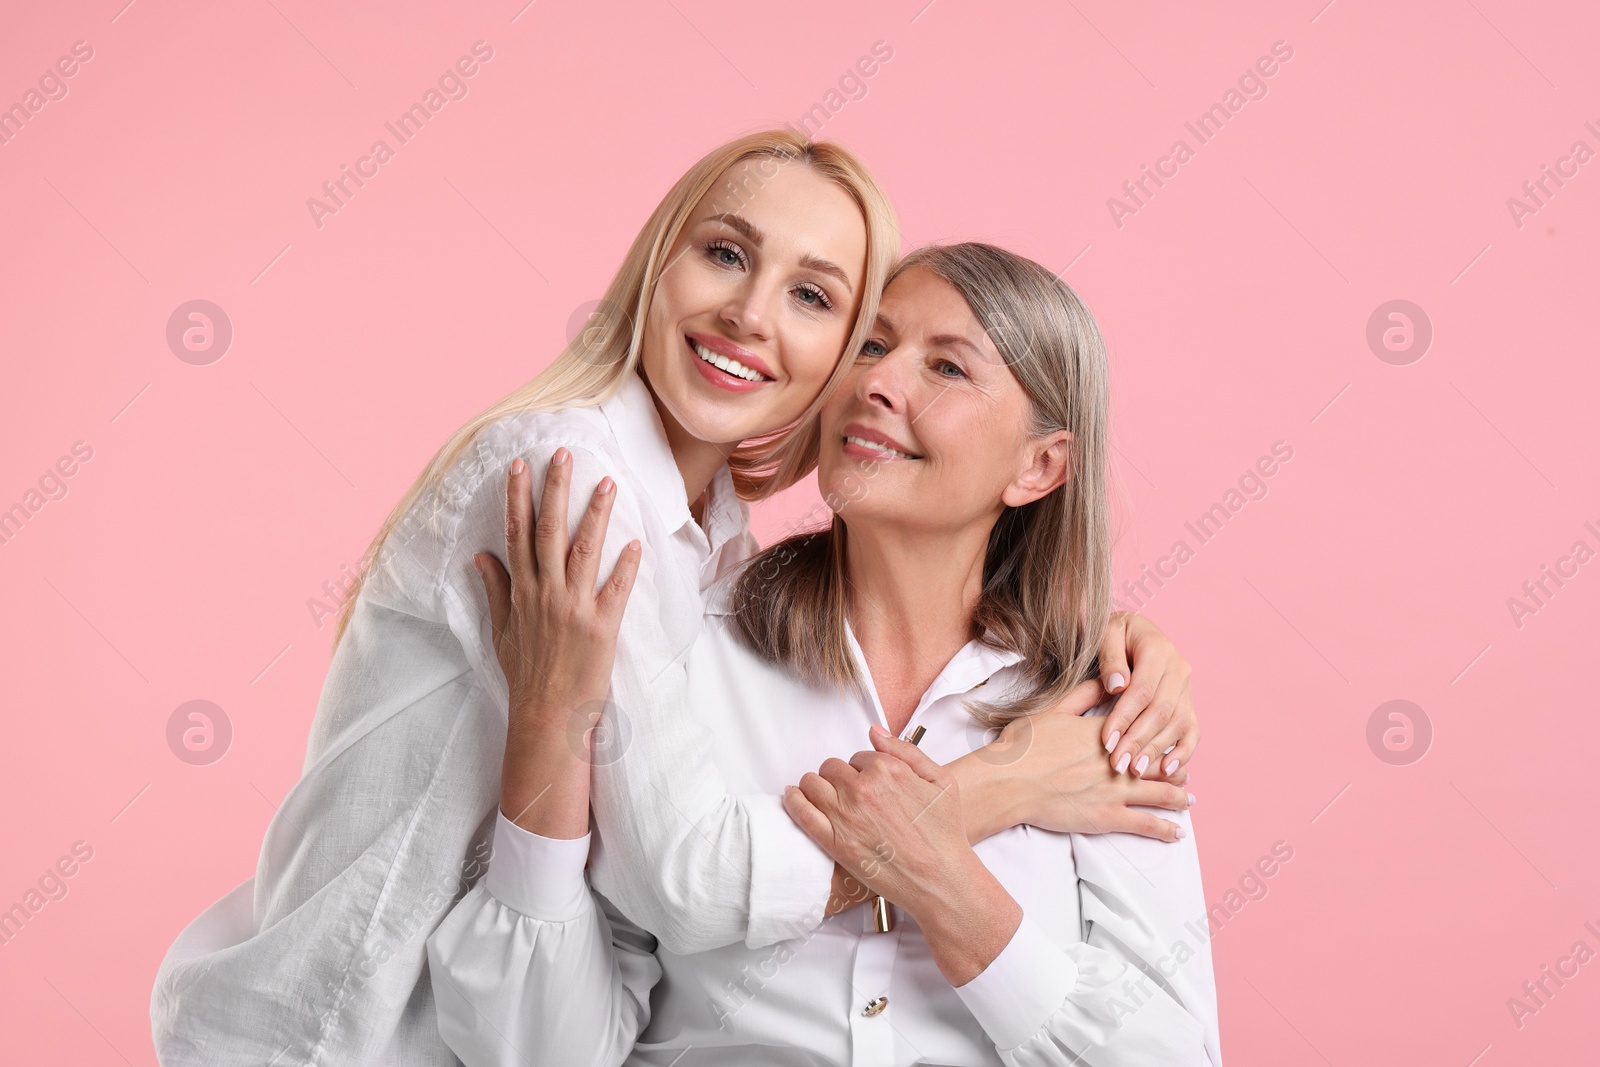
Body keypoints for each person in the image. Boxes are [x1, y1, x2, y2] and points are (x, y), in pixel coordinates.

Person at [150, 132, 1196, 1066]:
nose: (753, 313)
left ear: (1041, 465)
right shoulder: (584, 486)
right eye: (727, 253)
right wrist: (991, 788)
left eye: (815, 297)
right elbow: (680, 893)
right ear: (659, 264)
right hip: (332, 1033)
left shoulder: (1091, 713)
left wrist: (1085, 659)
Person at [426, 243, 1220, 1065]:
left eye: (947, 367)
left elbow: (1173, 1053)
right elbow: (539, 1050)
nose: (875, 382)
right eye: (871, 346)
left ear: (1040, 464)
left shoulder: (1105, 714)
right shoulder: (687, 649)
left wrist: (951, 890)